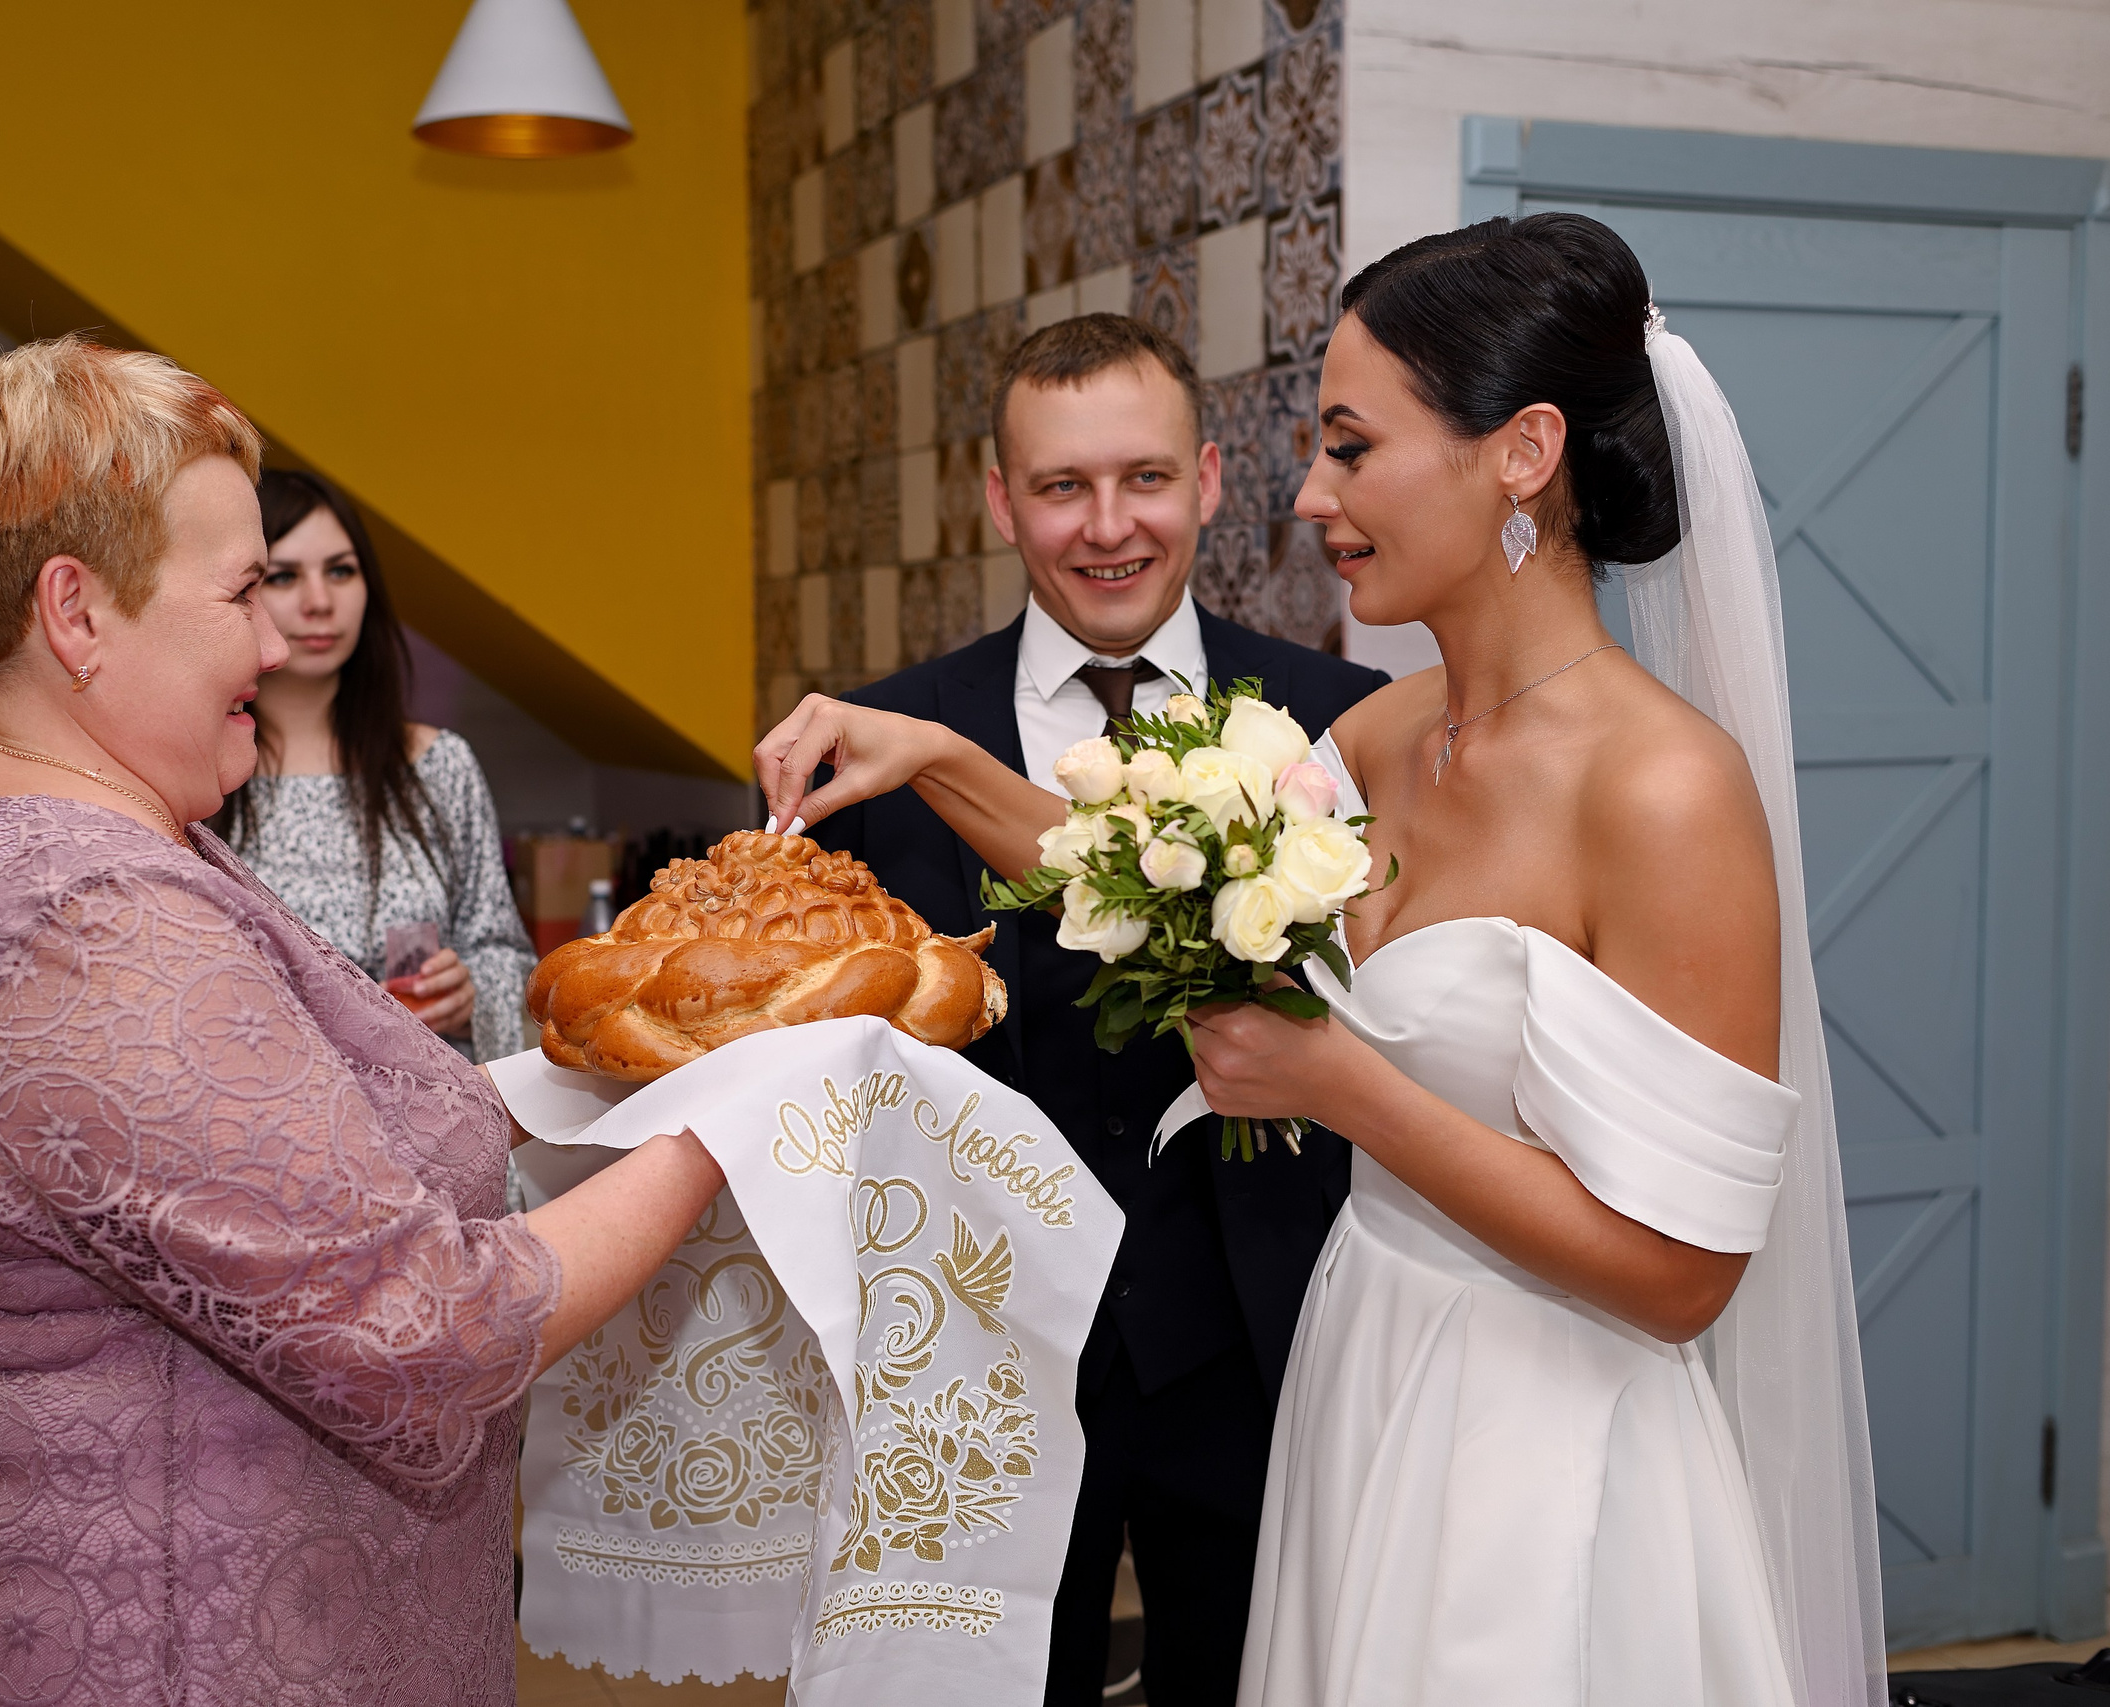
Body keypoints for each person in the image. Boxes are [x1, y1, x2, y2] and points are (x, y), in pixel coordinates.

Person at [759, 217, 1883, 1707]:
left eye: (1352, 448)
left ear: (1522, 452)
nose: (1309, 495)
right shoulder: (1384, 731)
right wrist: (938, 755)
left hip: (1544, 1435)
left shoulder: (1666, 788)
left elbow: (1683, 1278)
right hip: (1358, 1379)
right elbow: (1146, 882)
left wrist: (1341, 1085)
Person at [0, 334, 726, 1706]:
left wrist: (612, 1084)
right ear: (76, 613)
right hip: (185, 1650)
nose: (277, 638)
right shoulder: (90, 921)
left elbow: (309, 1143)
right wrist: (725, 1130)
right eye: (244, 588)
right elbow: (425, 1331)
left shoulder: (85, 830)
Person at [770, 313, 1387, 1706]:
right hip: (967, 1358)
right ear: (1001, 500)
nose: (1108, 526)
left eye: (1145, 477)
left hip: (1260, 1335)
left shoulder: (1346, 719)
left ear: (1208, 478)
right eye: (1062, 486)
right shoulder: (873, 744)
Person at [212, 468, 534, 1063]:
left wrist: (471, 991)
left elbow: (504, 952)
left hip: (435, 1096)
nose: (320, 602)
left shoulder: (437, 765)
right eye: (284, 576)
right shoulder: (203, 768)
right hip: (274, 1100)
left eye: (341, 571)